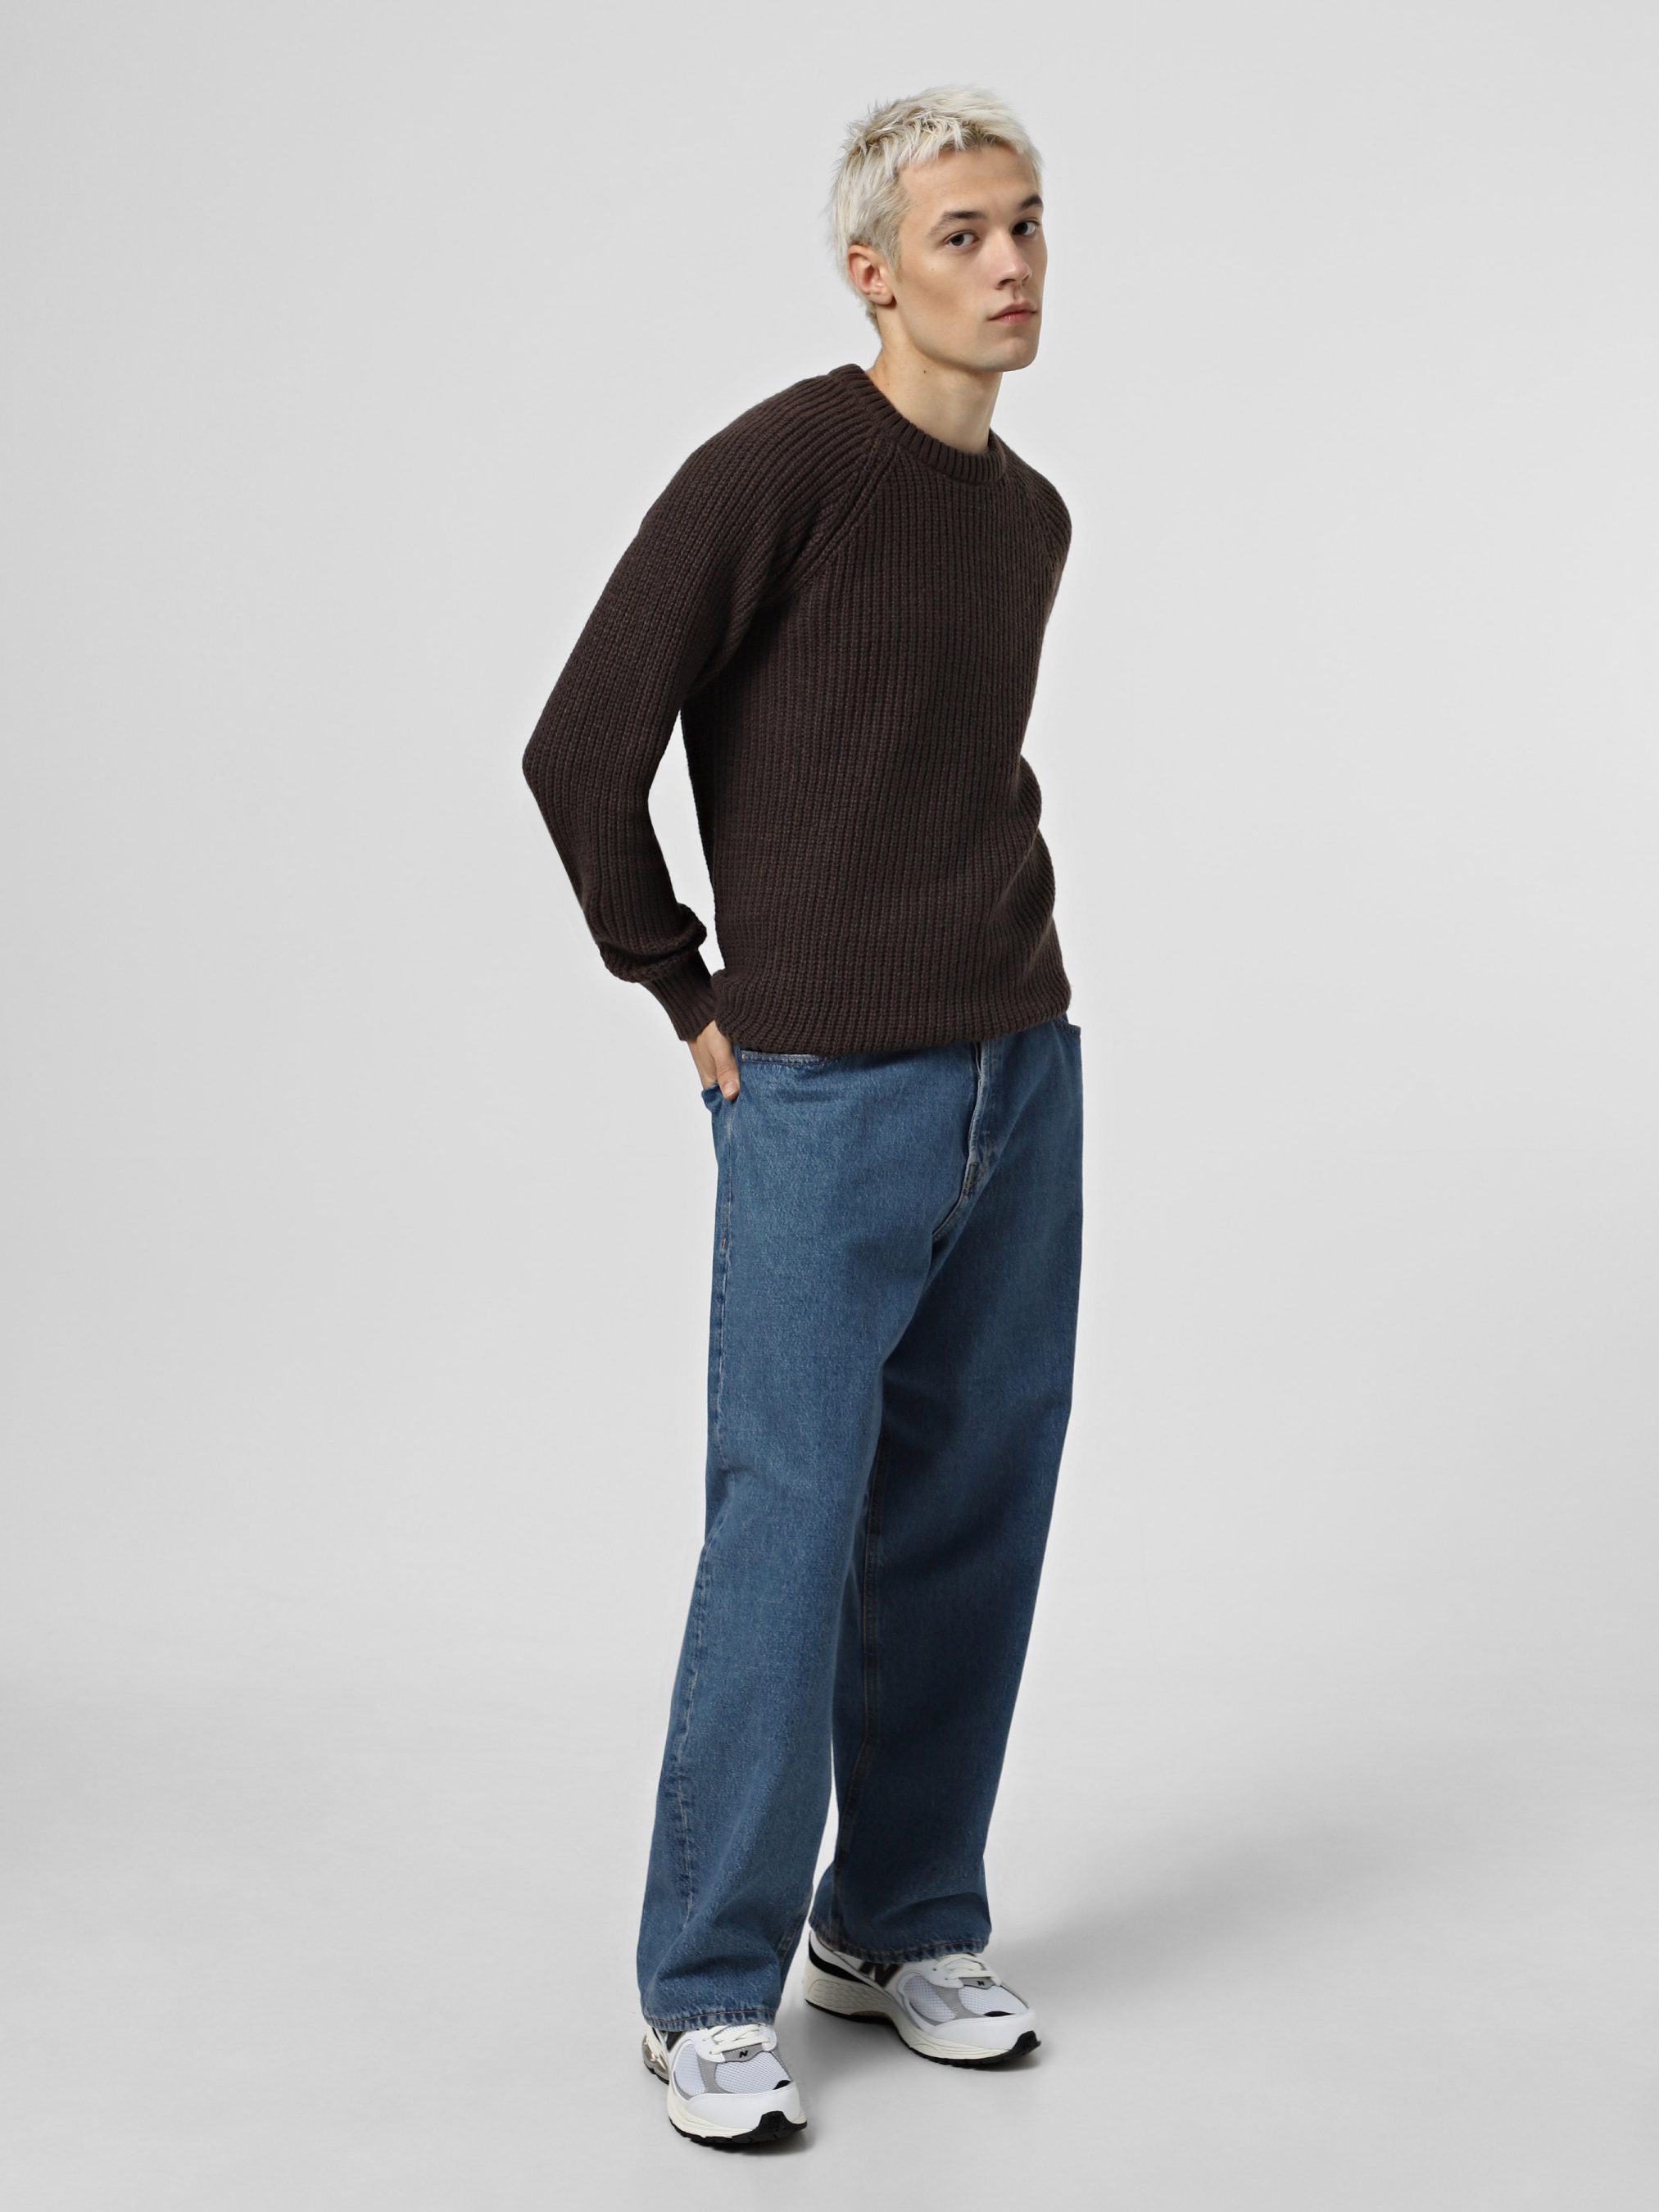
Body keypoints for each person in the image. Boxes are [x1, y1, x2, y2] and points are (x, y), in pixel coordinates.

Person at [523, 85, 1083, 2150]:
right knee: (788, 1523)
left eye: (1025, 224)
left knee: (969, 1517)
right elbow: (580, 746)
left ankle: (900, 1917)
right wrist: (684, 991)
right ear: (871, 272)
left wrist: (1018, 1046)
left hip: (1020, 1067)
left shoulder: (1028, 517)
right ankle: (701, 1988)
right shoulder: (776, 469)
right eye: (960, 235)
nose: (1008, 265)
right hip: (822, 1089)